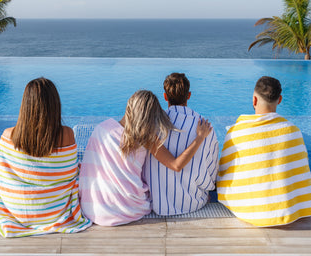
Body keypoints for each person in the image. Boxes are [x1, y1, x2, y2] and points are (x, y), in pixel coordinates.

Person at [78, 90, 213, 226]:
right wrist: (200, 138)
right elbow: (176, 165)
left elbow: (87, 170)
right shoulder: (147, 138)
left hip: (94, 210)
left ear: (129, 106)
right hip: (130, 210)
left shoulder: (101, 130)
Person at [0, 78, 92, 237]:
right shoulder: (66, 135)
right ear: (55, 105)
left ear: (25, 106)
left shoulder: (8, 135)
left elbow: (2, 179)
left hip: (18, 212)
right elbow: (71, 174)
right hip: (54, 212)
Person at [217, 76, 311, 227]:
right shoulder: (293, 131)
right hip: (288, 209)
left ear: (254, 100)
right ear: (279, 100)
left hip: (248, 209)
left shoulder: (237, 132)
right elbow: (300, 171)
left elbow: (224, 169)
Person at [143, 73, 219, 215]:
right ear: (189, 95)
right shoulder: (204, 126)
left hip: (155, 203)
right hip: (193, 203)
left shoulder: (151, 125)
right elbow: (212, 171)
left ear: (165, 97)